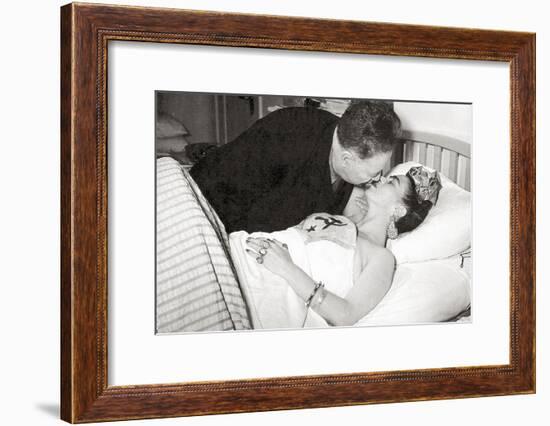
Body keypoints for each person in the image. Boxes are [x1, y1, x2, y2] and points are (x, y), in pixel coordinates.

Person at [245, 165, 442, 327]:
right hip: (246, 251)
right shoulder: (343, 219)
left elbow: (345, 315)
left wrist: (287, 268)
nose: (381, 178)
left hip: (262, 287)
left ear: (399, 210)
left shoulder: (381, 257)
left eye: (392, 182)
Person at [190, 101, 402, 233]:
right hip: (206, 201)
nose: (376, 179)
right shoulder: (287, 139)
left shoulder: (346, 142)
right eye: (372, 173)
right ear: (347, 159)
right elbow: (246, 215)